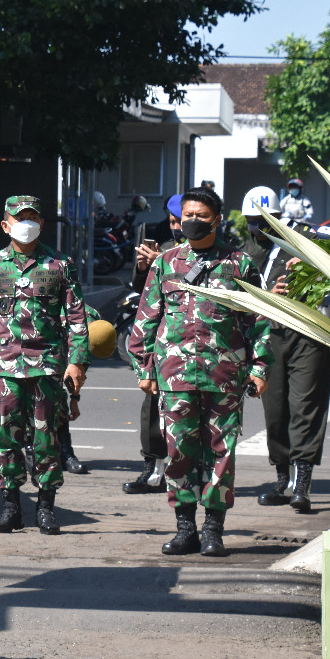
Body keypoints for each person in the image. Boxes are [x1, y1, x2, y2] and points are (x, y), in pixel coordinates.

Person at [127, 186, 273, 557]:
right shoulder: (166, 262)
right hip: (175, 377)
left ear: (217, 220)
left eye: (201, 216)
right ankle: (185, 528)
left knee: (221, 453)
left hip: (224, 376)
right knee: (178, 452)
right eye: (187, 215)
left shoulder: (239, 265)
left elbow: (259, 321)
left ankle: (213, 529)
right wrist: (143, 368)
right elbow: (146, 319)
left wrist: (259, 367)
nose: (192, 222)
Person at [0, 195, 90, 535]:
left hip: (47, 365)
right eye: (20, 218)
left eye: (33, 217)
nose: (27, 223)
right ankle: (10, 506)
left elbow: (77, 317)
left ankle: (46, 506)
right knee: (7, 437)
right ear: (5, 224)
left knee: (46, 437)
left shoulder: (60, 265)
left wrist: (77, 362)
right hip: (5, 367)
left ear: (42, 223)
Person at [240, 186, 330, 513]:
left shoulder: (303, 235)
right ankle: (282, 479)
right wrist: (268, 292)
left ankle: (302, 485)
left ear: (278, 216)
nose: (260, 227)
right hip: (269, 334)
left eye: (266, 220)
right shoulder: (246, 251)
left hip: (308, 332)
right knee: (275, 409)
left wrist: (310, 258)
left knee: (305, 406)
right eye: (253, 221)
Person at [122, 193, 184, 495]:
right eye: (171, 221)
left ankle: (187, 475)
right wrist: (144, 266)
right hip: (163, 346)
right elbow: (141, 291)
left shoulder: (211, 255)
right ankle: (152, 470)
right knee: (152, 411)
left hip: (196, 349)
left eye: (179, 221)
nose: (175, 227)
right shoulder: (167, 250)